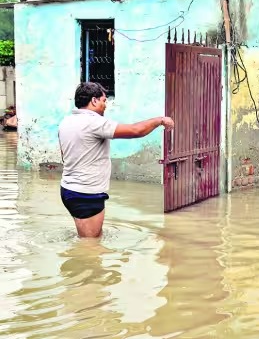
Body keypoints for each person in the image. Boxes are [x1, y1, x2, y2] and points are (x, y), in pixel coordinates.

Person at [58, 82, 175, 238]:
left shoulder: (66, 122)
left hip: (68, 189)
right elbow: (135, 131)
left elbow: (63, 155)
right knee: (90, 246)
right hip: (87, 193)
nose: (105, 105)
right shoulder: (94, 122)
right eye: (104, 100)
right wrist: (159, 120)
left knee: (90, 238)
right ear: (94, 101)